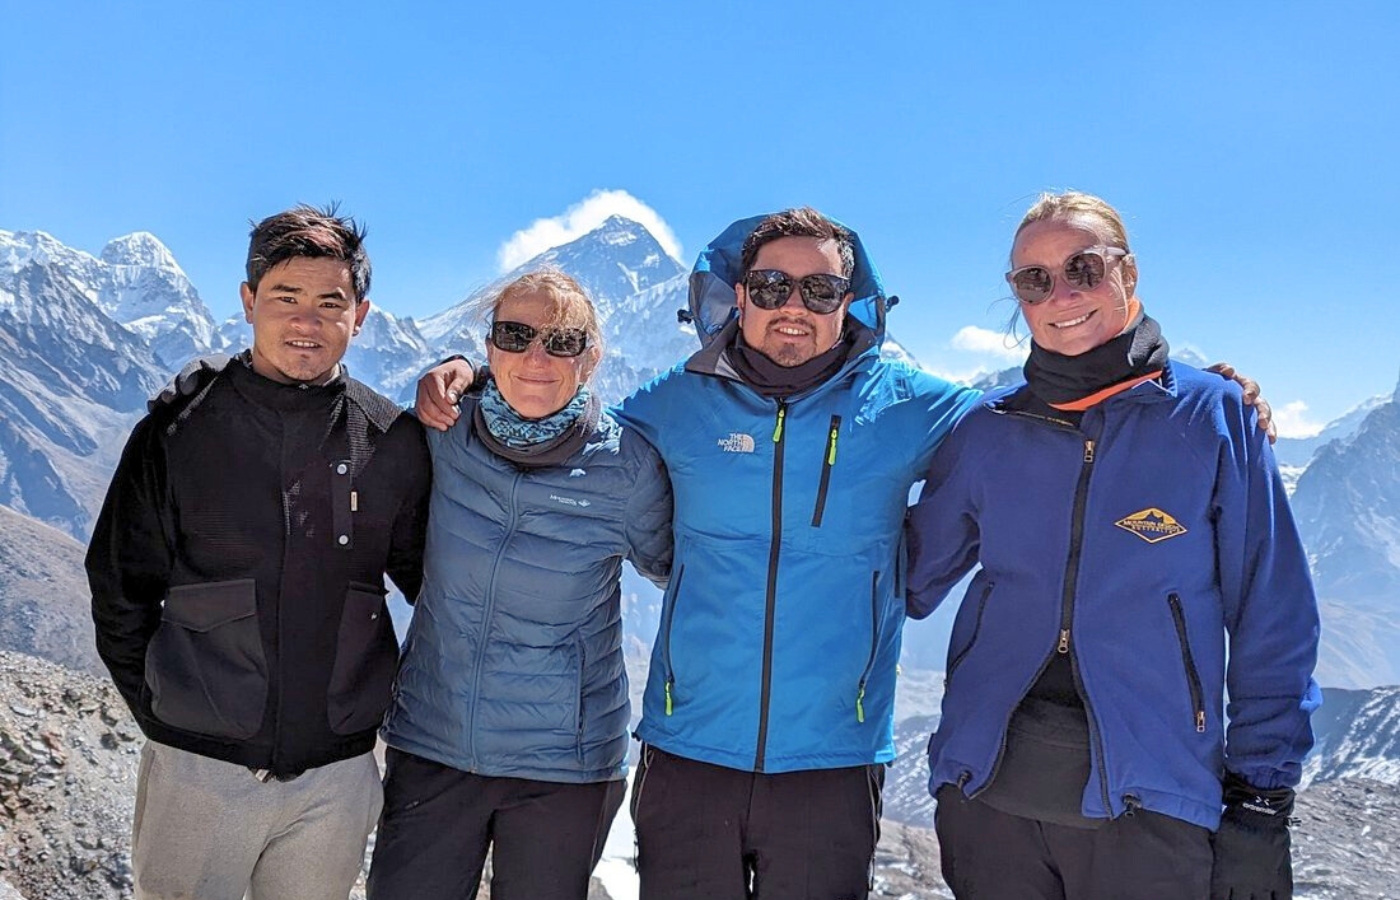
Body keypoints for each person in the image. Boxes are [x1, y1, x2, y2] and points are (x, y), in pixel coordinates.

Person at [414, 207, 1272, 900]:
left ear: (852, 301)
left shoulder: (918, 407)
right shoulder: (671, 404)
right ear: (736, 295)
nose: (795, 304)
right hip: (687, 751)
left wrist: (1200, 391)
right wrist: (467, 372)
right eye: (772, 284)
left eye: (821, 287)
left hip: (833, 760)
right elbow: (562, 406)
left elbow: (1052, 403)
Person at [905, 190, 1320, 900]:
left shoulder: (1212, 419)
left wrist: (1262, 800)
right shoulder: (987, 433)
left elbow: (1271, 612)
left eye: (1083, 268)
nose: (1060, 293)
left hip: (1153, 811)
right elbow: (906, 579)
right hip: (988, 804)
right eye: (1033, 280)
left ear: (1129, 273)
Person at [87, 205, 431, 900]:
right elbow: (119, 588)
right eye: (285, 297)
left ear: (360, 315)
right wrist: (168, 718)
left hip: (335, 780)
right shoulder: (178, 430)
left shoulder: (391, 441)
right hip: (198, 772)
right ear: (249, 302)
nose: (306, 321)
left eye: (329, 302)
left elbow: (437, 589)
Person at [366, 270, 673, 900]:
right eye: (515, 334)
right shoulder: (443, 431)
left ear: (590, 359)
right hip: (435, 742)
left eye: (562, 341)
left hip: (565, 765)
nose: (536, 356)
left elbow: (677, 569)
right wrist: (453, 370)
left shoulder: (627, 467)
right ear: (489, 348)